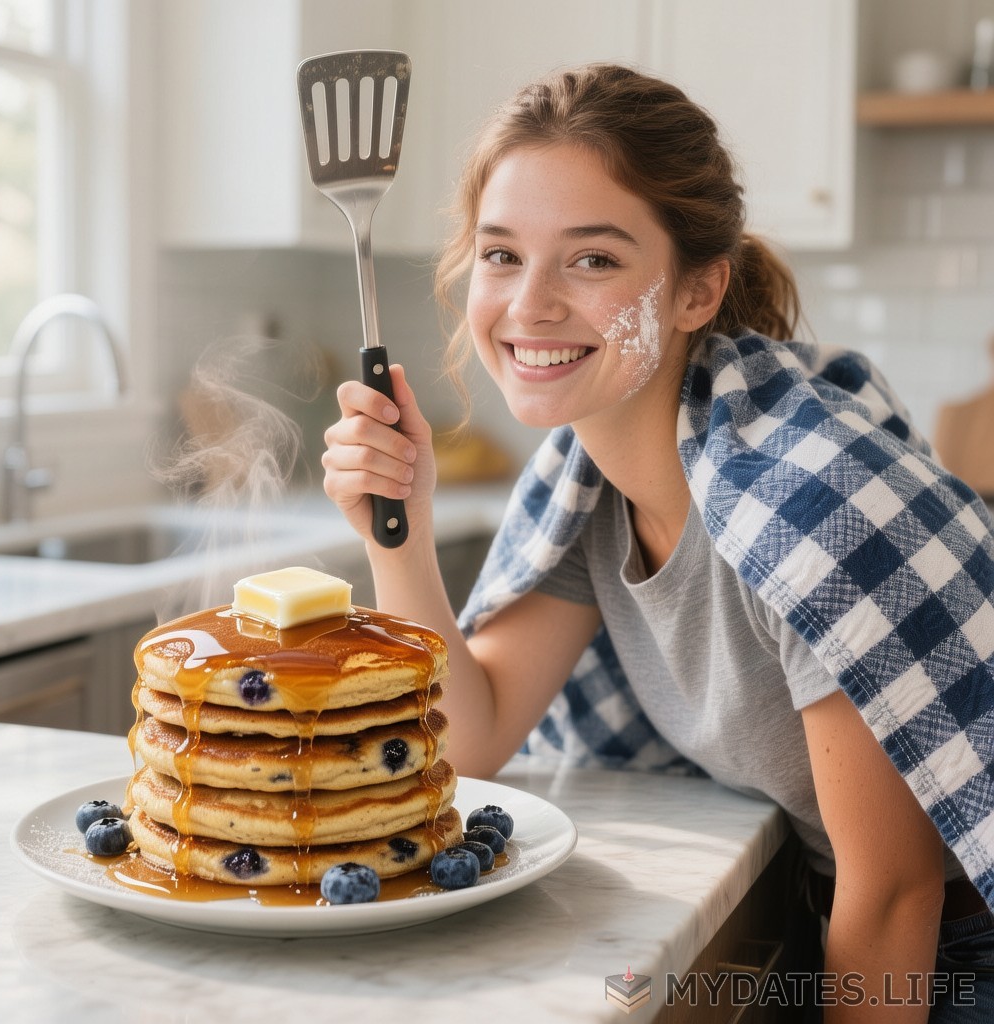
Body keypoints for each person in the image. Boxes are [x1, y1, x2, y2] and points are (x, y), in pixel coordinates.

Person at [322, 63, 994, 1021]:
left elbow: (897, 892)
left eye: (592, 260)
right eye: (502, 253)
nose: (530, 303)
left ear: (697, 291)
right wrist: (401, 531)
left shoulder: (817, 508)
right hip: (839, 915)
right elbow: (465, 743)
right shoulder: (588, 483)